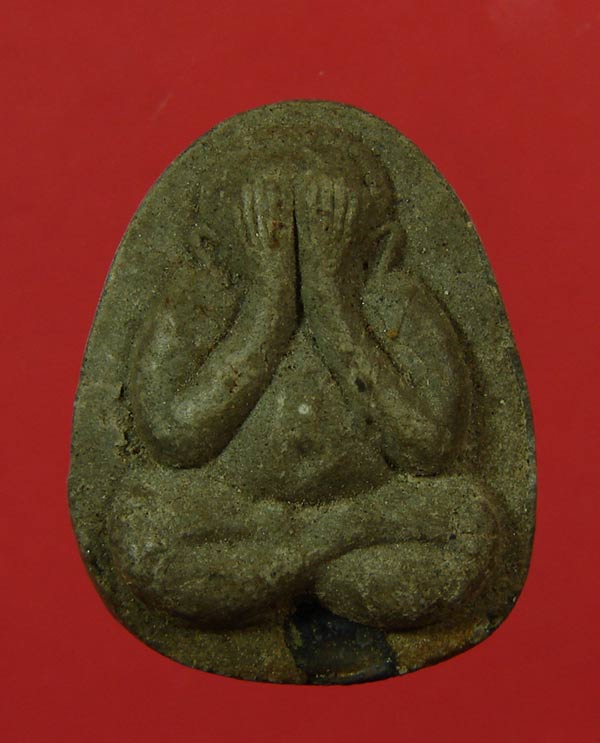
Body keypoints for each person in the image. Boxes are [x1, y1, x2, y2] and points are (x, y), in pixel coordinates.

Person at [108, 140, 499, 630]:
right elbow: (173, 437)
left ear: (381, 248)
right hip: (239, 511)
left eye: (322, 230)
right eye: (269, 231)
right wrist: (271, 299)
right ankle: (318, 565)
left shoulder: (394, 297)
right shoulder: (198, 298)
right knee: (140, 524)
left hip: (369, 507)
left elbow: (430, 448)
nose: (294, 255)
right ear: (211, 249)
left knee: (470, 519)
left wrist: (329, 297)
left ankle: (277, 574)